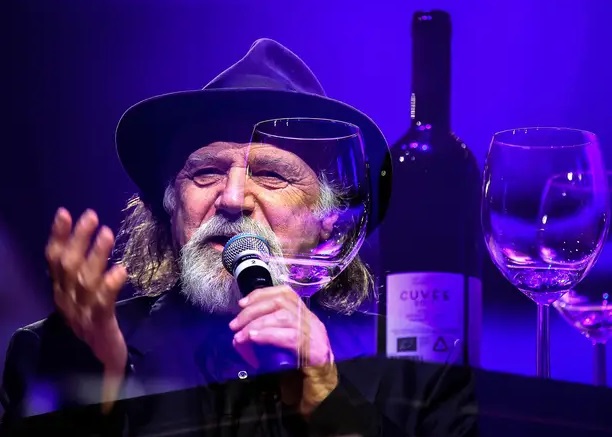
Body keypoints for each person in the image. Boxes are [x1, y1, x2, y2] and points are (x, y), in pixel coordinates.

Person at [0, 38, 477, 436]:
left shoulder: (414, 369)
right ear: (170, 204)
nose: (232, 199)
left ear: (330, 218)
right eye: (205, 172)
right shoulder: (62, 351)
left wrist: (332, 401)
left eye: (271, 175)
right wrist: (92, 393)